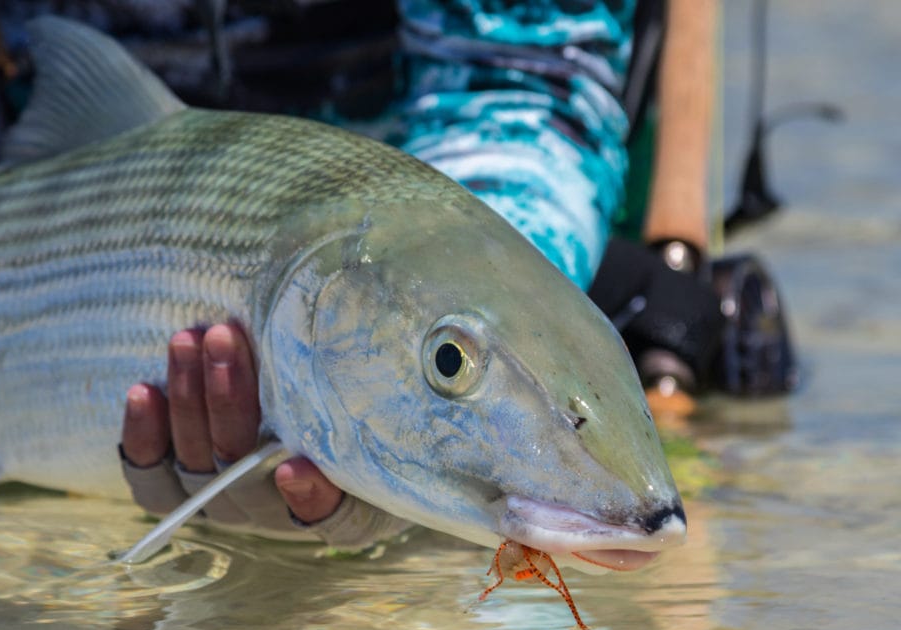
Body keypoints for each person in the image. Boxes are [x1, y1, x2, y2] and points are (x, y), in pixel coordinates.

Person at [116, 0, 724, 548]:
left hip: (419, 205)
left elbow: (514, 74)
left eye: (449, 363)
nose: (452, 364)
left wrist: (408, 488)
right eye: (449, 362)